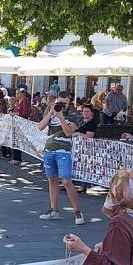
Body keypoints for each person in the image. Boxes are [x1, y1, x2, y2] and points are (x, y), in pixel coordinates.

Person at [37, 91, 84, 225]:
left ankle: (77, 211)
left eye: (64, 103)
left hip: (64, 151)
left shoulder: (74, 115)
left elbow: (69, 132)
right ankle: (54, 210)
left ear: (69, 103)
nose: (62, 105)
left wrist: (62, 117)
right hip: (49, 150)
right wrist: (51, 113)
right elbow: (40, 127)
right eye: (60, 103)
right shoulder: (52, 112)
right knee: (52, 179)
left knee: (66, 181)